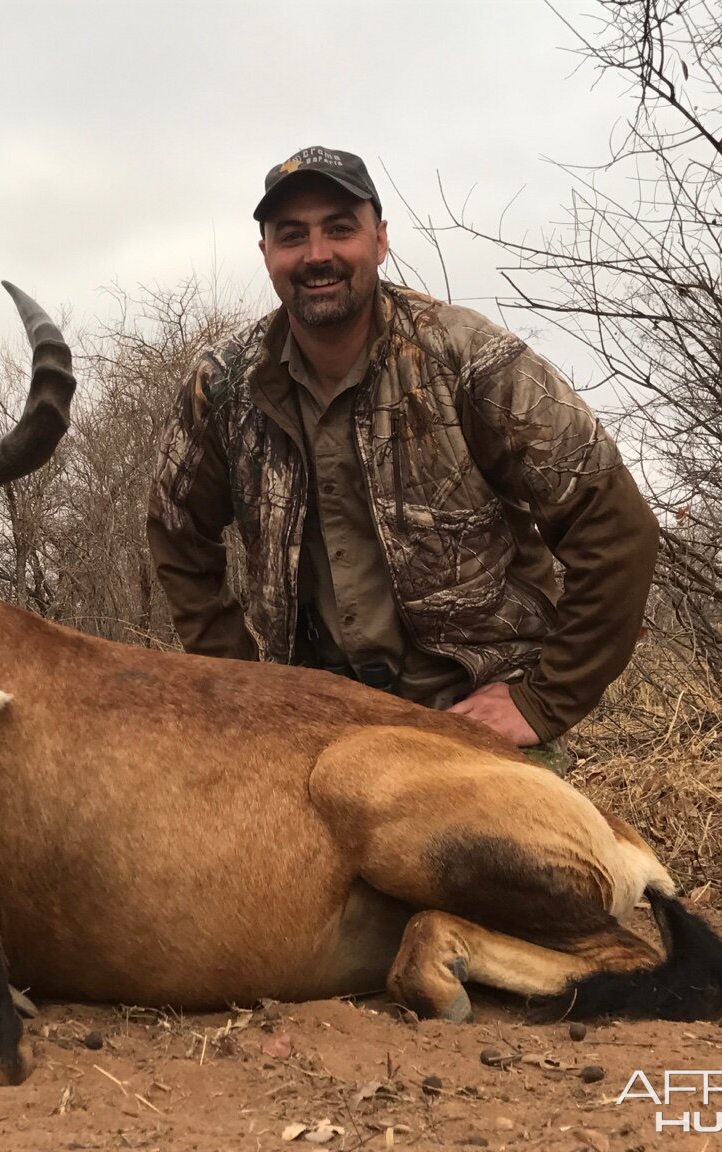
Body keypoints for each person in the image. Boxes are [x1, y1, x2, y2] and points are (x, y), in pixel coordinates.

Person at [147, 146, 659, 771]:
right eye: (292, 236)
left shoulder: (468, 356)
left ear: (380, 239)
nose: (317, 255)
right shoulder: (222, 385)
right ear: (266, 255)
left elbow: (612, 520)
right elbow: (177, 530)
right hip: (310, 720)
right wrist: (239, 682)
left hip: (467, 715)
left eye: (340, 228)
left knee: (504, 866)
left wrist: (544, 699)